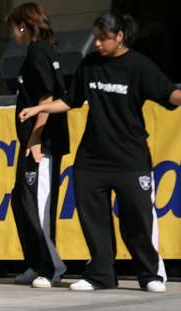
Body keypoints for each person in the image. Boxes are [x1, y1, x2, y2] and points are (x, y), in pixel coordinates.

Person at [21, 11, 181, 292]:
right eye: (95, 37)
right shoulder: (90, 64)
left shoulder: (139, 66)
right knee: (94, 221)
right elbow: (71, 100)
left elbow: (170, 95)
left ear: (119, 37)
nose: (97, 43)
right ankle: (101, 275)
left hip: (130, 158)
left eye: (103, 38)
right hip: (92, 159)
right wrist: (40, 108)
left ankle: (150, 275)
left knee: (137, 220)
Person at [6, 3, 68, 289]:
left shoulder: (39, 51)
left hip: (42, 143)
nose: (12, 35)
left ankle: (51, 266)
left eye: (13, 28)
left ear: (22, 25)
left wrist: (36, 138)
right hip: (32, 141)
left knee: (38, 204)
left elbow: (47, 97)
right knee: (21, 200)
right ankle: (36, 262)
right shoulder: (39, 51)